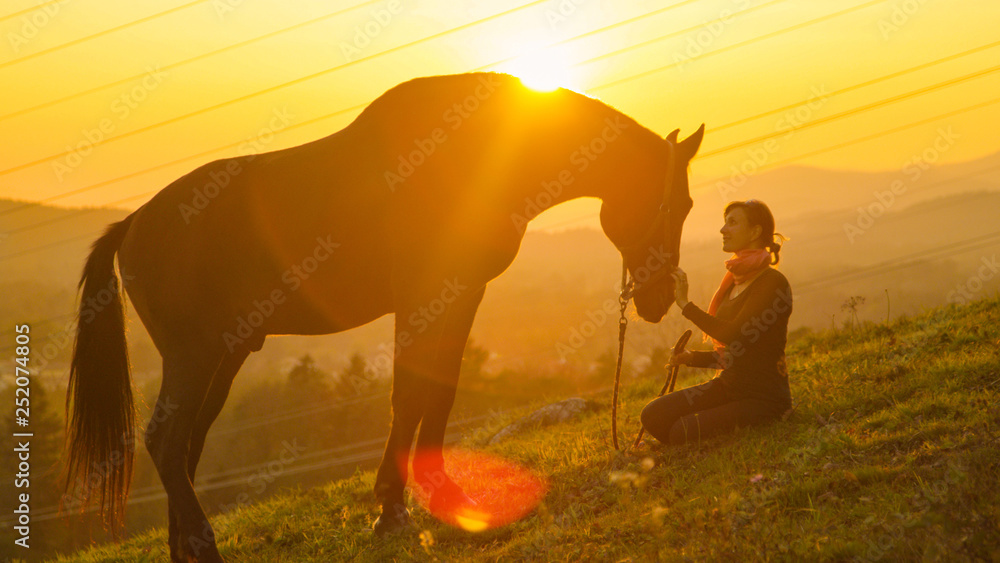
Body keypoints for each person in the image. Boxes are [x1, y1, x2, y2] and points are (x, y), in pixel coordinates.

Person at [640, 199, 792, 445]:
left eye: (732, 223)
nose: (723, 230)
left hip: (764, 399)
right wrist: (692, 358)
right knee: (653, 415)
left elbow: (733, 334)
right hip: (729, 387)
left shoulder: (772, 283)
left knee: (681, 431)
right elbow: (738, 352)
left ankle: (681, 444)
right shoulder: (734, 280)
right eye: (724, 223)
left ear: (755, 232)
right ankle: (680, 443)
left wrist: (685, 305)